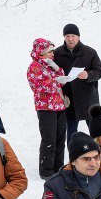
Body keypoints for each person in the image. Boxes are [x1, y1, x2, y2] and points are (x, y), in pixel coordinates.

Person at [52, 24, 101, 143]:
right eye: (67, 36)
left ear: (78, 37)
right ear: (64, 37)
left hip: (88, 99)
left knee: (95, 132)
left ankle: (98, 153)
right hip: (68, 99)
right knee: (71, 132)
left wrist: (88, 75)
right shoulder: (58, 53)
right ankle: (73, 154)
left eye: (73, 36)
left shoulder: (90, 52)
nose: (70, 39)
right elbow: (52, 73)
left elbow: (99, 71)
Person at [26, 38, 68, 179]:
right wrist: (56, 82)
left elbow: (62, 81)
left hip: (59, 106)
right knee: (49, 140)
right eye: (49, 51)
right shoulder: (34, 67)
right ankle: (47, 171)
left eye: (52, 51)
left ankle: (59, 168)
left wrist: (57, 69)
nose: (52, 54)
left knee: (60, 139)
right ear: (41, 52)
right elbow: (37, 87)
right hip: (46, 108)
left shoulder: (50, 65)